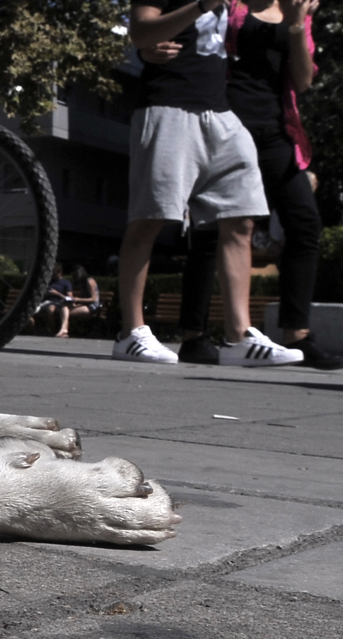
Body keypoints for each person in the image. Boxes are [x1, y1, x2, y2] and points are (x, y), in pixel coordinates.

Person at [117, 0, 301, 366]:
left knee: (242, 218)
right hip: (168, 105)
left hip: (220, 113)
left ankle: (239, 337)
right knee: (149, 219)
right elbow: (141, 32)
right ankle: (130, 333)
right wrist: (199, 6)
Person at [225, 0, 340, 367]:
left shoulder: (296, 13)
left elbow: (304, 81)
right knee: (229, 224)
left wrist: (296, 23)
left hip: (277, 131)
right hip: (229, 124)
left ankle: (297, 334)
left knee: (305, 223)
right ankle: (211, 335)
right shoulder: (232, 9)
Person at [61, 265, 103, 337]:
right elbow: (85, 298)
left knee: (68, 313)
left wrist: (78, 299)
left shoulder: (89, 281)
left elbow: (94, 298)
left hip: (93, 307)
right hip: (86, 304)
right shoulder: (82, 283)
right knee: (65, 309)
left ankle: (65, 331)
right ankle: (64, 330)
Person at [38, 264, 74, 335]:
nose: (53, 276)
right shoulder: (49, 282)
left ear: (60, 273)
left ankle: (52, 330)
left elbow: (69, 298)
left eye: (55, 274)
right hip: (46, 302)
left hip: (58, 303)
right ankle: (36, 331)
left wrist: (57, 293)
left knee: (51, 309)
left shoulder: (66, 283)